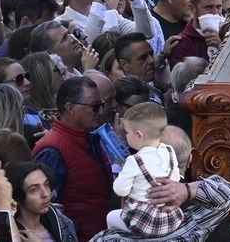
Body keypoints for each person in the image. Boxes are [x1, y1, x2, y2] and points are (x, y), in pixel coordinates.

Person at [32, 76, 116, 240]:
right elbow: (44, 210)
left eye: (101, 104)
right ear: (70, 108)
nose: (100, 111)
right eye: (95, 106)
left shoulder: (90, 139)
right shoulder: (52, 149)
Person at [106, 101, 183, 236]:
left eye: (127, 132)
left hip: (144, 221)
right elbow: (175, 178)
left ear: (139, 135)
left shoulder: (134, 161)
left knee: (111, 217)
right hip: (170, 218)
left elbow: (120, 190)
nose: (126, 135)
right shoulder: (170, 151)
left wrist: (122, 172)